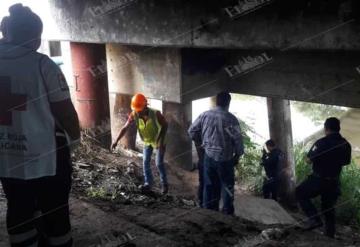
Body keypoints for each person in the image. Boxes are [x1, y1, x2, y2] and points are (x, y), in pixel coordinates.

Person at [0, 4, 80, 247]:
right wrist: (74, 142)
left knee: (19, 207)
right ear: (34, 37)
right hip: (47, 157)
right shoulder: (42, 64)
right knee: (55, 211)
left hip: (6, 156)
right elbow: (65, 112)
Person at [188, 92, 244, 215]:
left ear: (217, 101)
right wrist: (237, 156)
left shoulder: (205, 115)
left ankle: (209, 211)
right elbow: (238, 140)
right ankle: (227, 211)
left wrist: (200, 145)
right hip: (226, 159)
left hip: (209, 157)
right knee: (227, 186)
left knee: (209, 185)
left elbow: (192, 131)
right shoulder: (231, 119)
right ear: (228, 103)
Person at [296, 117, 351, 238]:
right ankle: (330, 234)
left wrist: (312, 159)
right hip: (334, 181)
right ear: (338, 128)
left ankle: (314, 219)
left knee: (299, 192)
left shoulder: (321, 142)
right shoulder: (346, 144)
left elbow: (309, 160)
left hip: (318, 179)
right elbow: (346, 162)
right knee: (328, 207)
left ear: (326, 129)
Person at [111, 93, 169, 194]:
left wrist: (160, 140)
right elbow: (125, 127)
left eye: (139, 110)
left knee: (159, 163)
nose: (138, 112)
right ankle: (148, 183)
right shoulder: (134, 114)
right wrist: (116, 140)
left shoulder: (156, 114)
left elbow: (165, 125)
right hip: (147, 141)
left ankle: (164, 184)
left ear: (145, 106)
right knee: (145, 161)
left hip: (159, 140)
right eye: (136, 110)